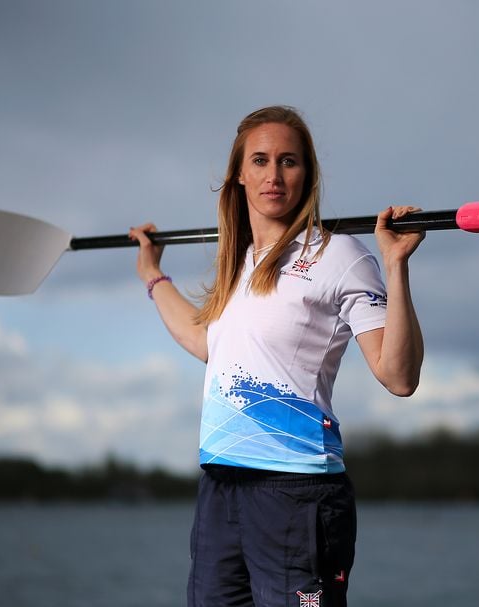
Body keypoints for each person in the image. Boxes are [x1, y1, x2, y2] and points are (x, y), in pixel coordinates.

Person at [128, 105, 424, 607]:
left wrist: (395, 267)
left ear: (306, 173)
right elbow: (208, 344)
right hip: (220, 489)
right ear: (239, 175)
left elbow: (398, 376)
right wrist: (153, 278)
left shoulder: (340, 256)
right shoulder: (236, 263)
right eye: (260, 161)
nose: (273, 175)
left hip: (297, 493)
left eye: (289, 161)